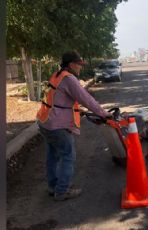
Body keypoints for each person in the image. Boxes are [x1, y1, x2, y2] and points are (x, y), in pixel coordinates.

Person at [36, 51, 112, 201]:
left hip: (45, 121)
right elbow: (86, 99)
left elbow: (59, 99)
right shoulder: (70, 79)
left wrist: (79, 111)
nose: (80, 68)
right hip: (57, 126)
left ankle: (53, 187)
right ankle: (62, 191)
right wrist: (103, 114)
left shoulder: (58, 74)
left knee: (52, 156)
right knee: (68, 156)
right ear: (71, 65)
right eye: (79, 65)